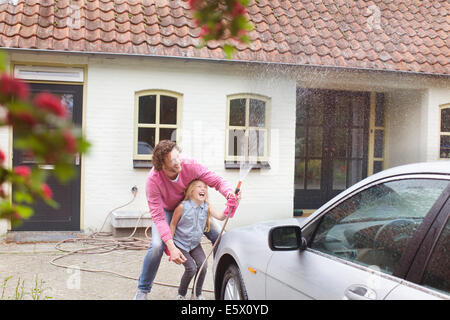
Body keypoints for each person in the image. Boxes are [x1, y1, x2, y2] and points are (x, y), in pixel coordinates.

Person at [134, 140, 240, 300]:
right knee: (156, 246)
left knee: (219, 237)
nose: (179, 162)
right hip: (167, 210)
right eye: (173, 160)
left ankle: (222, 283)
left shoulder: (189, 164)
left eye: (178, 156)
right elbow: (158, 217)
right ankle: (143, 290)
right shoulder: (153, 180)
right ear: (162, 165)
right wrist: (171, 246)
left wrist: (229, 194)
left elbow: (217, 181)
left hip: (190, 206)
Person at [170, 179, 227, 300]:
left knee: (203, 265)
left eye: (205, 187)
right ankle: (181, 294)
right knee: (191, 268)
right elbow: (173, 224)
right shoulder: (182, 207)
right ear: (191, 191)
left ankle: (197, 293)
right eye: (199, 186)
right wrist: (171, 247)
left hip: (195, 244)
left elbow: (221, 217)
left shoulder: (207, 207)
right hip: (180, 244)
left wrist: (231, 206)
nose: (203, 189)